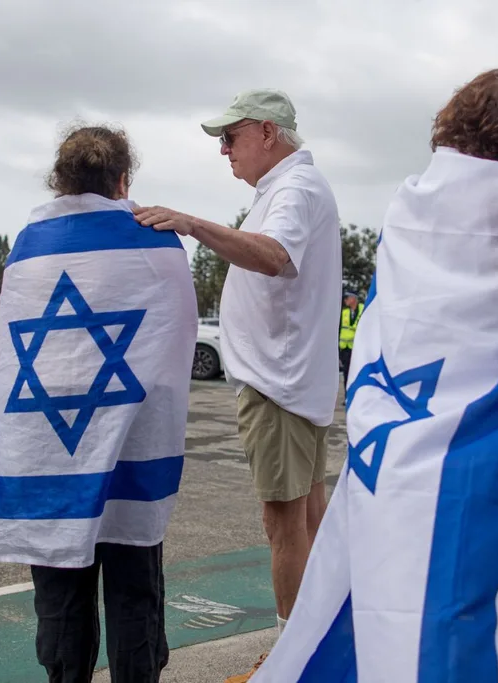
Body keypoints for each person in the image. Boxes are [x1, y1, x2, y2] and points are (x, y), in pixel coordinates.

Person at [251, 69, 498, 683]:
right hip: (471, 464)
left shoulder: (405, 211)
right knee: (458, 615)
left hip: (388, 446)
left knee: (378, 599)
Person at [0, 124, 196, 683]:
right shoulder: (154, 243)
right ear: (123, 180)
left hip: (45, 444)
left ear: (60, 180)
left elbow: (19, 346)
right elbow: (176, 336)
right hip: (130, 439)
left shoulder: (27, 248)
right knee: (133, 583)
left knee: (60, 589)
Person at [133, 89, 342, 656]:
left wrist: (191, 224)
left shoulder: (294, 187)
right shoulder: (288, 186)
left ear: (268, 133)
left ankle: (292, 656)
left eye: (231, 137)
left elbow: (274, 255)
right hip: (291, 379)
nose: (224, 150)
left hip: (279, 382)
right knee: (310, 517)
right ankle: (326, 641)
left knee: (284, 524)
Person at [338, 291, 363, 389]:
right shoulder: (344, 312)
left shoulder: (363, 309)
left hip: (359, 348)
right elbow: (339, 330)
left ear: (353, 298)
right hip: (346, 349)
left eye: (347, 298)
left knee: (358, 372)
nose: (345, 300)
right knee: (347, 373)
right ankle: (347, 396)